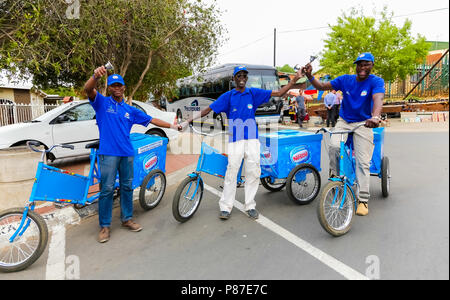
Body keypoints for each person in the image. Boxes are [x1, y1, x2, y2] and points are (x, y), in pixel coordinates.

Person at [181, 66, 304, 220]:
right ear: (234, 79)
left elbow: (279, 93)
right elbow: (208, 109)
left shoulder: (253, 92)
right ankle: (225, 207)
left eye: (244, 76)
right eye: (238, 75)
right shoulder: (228, 96)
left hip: (252, 138)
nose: (241, 78)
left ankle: (250, 205)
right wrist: (188, 121)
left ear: (246, 78)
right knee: (232, 171)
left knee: (253, 171)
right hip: (235, 140)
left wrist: (295, 79)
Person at [84, 66, 182, 243]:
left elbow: (152, 119)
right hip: (108, 154)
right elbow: (88, 89)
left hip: (127, 154)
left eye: (119, 85)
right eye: (113, 85)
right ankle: (105, 226)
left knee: (127, 187)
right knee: (106, 190)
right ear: (109, 88)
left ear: (123, 88)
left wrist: (173, 126)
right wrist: (95, 76)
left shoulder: (130, 110)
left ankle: (127, 219)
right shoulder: (102, 103)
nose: (116, 88)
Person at [302, 52, 384, 216]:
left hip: (364, 123)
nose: (362, 67)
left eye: (366, 64)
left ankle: (363, 200)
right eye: (359, 64)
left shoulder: (376, 81)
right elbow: (321, 86)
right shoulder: (345, 79)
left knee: (363, 163)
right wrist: (310, 76)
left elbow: (378, 99)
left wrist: (375, 117)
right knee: (333, 146)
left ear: (372, 65)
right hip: (344, 121)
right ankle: (335, 175)